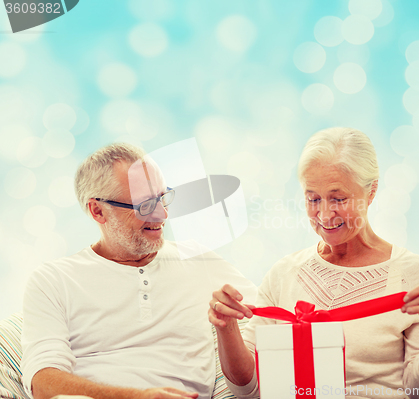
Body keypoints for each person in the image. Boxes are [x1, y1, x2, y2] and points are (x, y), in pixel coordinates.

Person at [209, 127, 419, 398]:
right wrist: (226, 328)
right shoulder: (283, 274)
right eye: (313, 198)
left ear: (371, 191)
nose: (324, 214)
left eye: (338, 198)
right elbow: (249, 390)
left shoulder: (413, 275)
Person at [21, 143, 256, 399]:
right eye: (144, 205)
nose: (162, 214)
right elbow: (42, 383)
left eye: (162, 197)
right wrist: (136, 397)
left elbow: (276, 321)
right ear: (97, 210)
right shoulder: (53, 280)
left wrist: (228, 326)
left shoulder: (198, 260)